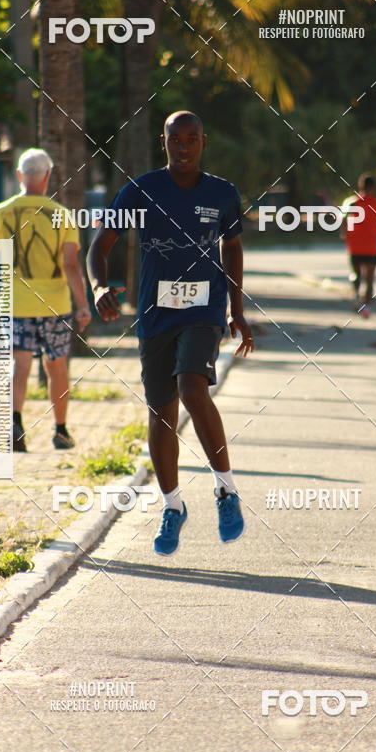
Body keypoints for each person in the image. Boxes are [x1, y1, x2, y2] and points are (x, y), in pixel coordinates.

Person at [87, 111, 254, 555]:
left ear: (203, 142)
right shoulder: (139, 191)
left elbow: (232, 247)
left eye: (191, 139)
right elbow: (100, 246)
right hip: (156, 315)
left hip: (204, 309)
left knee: (192, 387)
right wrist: (99, 286)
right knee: (161, 413)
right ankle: (173, 506)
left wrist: (236, 310)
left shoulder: (222, 193)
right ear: (163, 142)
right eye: (175, 140)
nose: (183, 147)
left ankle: (226, 491)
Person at [0, 148, 91, 452]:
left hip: (15, 303)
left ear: (19, 175)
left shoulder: (0, 213)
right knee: (56, 366)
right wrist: (83, 305)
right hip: (55, 305)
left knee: (19, 365)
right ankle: (61, 431)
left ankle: (15, 426)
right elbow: (71, 264)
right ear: (47, 176)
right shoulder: (61, 215)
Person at [342, 173, 376, 318]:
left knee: (356, 274)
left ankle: (357, 299)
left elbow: (343, 221)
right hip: (371, 246)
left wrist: (346, 235)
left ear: (360, 186)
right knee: (369, 279)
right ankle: (367, 307)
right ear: (373, 187)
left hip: (355, 245)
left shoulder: (351, 203)